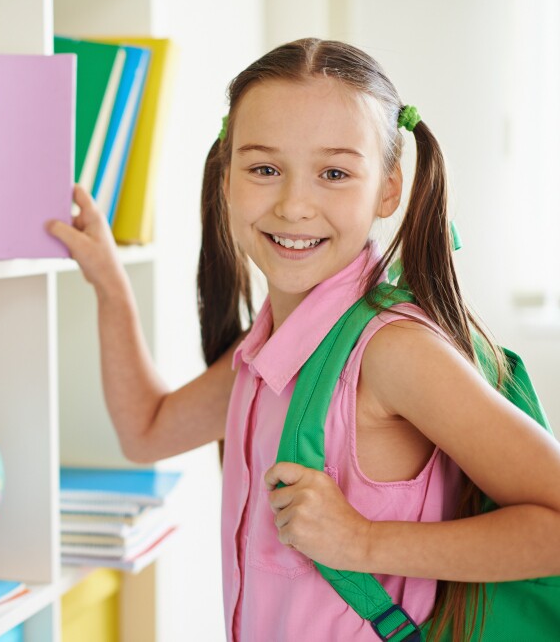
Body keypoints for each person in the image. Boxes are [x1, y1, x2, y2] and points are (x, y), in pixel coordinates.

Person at [47, 38, 560, 641]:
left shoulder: (391, 352)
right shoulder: (268, 352)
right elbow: (148, 429)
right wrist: (111, 284)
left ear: (388, 189)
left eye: (335, 173)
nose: (294, 205)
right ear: (226, 178)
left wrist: (362, 540)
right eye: (264, 169)